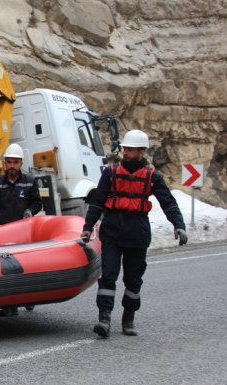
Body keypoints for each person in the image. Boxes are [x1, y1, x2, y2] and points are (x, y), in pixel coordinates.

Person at [80, 129, 187, 338]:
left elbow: (168, 202)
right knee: (108, 276)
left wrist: (179, 224)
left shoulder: (152, 176)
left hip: (137, 233)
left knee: (133, 280)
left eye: (130, 149)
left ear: (142, 151)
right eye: (125, 148)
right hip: (111, 231)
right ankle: (104, 319)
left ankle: (128, 317)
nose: (126, 152)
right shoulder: (110, 173)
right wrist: (87, 227)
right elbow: (97, 201)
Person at [0, 143, 43, 316]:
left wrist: (29, 211)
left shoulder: (30, 182)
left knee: (28, 267)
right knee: (8, 270)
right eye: (9, 162)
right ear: (4, 163)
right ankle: (10, 305)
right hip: (4, 234)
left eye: (15, 162)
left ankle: (30, 298)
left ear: (21, 164)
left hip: (24, 233)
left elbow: (37, 203)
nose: (12, 166)